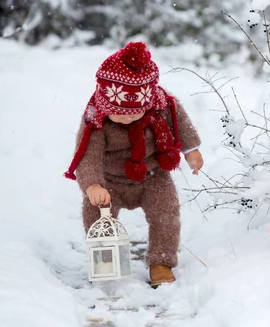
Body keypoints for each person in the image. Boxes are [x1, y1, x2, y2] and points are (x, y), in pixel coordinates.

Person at [64, 41, 203, 287]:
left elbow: (179, 123)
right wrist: (93, 185)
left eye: (134, 112)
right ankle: (105, 258)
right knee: (96, 212)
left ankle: (161, 261)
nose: (127, 116)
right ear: (106, 102)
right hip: (111, 181)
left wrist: (191, 150)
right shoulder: (97, 119)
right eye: (120, 111)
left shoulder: (162, 105)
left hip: (152, 176)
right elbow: (88, 154)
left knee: (165, 211)